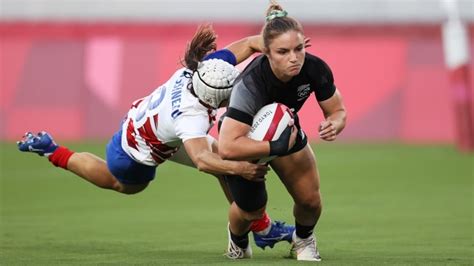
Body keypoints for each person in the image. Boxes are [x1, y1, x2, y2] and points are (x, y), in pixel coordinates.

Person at [16, 24, 295, 252]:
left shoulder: (207, 68)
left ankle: (261, 229)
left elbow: (248, 42)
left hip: (159, 128)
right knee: (122, 184)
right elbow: (201, 160)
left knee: (226, 159)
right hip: (134, 151)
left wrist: (276, 42)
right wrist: (242, 168)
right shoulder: (191, 117)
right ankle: (53, 151)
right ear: (215, 98)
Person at [218, 1, 347, 261]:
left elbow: (338, 110)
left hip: (285, 131)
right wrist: (273, 148)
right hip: (244, 139)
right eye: (283, 51)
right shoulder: (250, 85)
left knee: (310, 200)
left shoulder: (314, 68)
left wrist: (335, 122)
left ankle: (304, 240)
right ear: (266, 51)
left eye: (299, 49)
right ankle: (238, 240)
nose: (293, 58)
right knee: (250, 210)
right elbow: (227, 146)